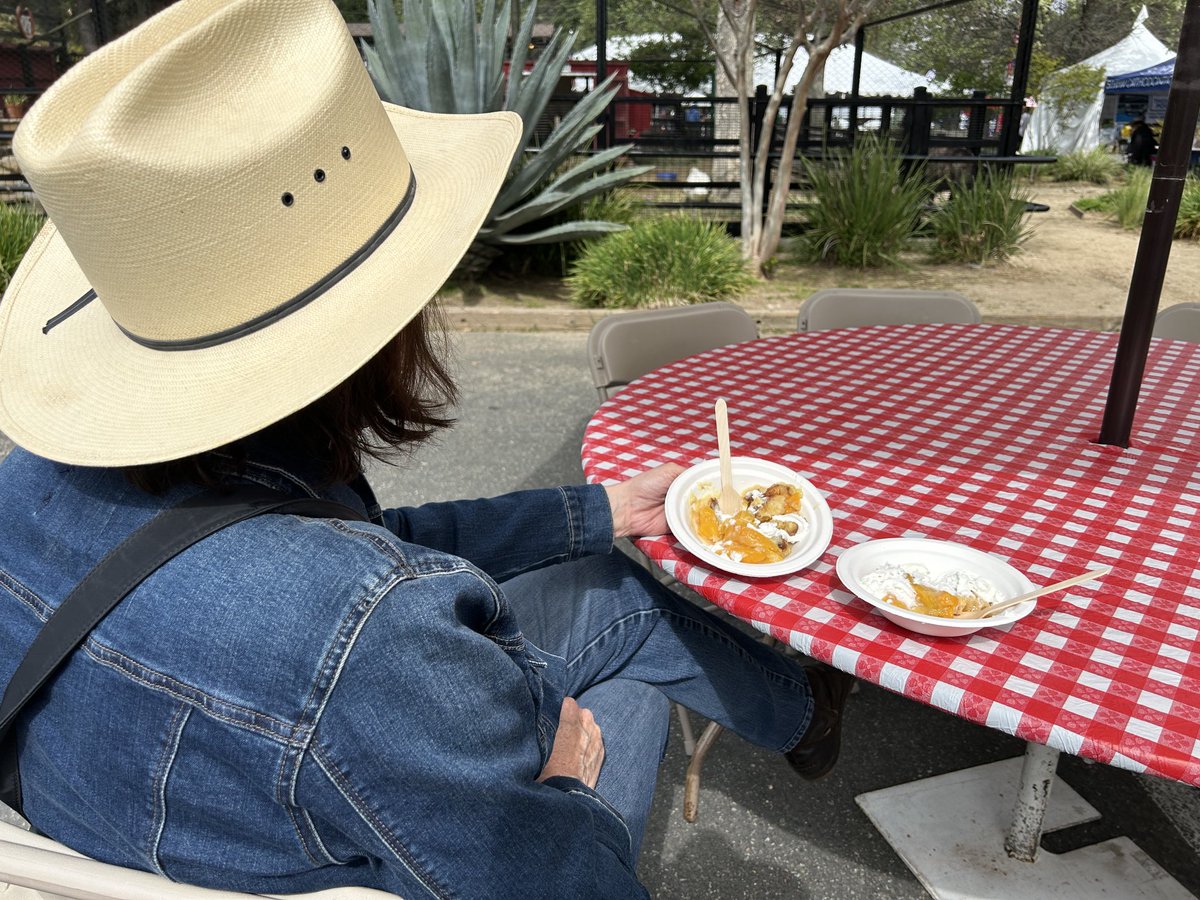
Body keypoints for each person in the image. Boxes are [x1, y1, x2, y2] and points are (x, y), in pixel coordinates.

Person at [0, 0, 853, 896]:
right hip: (354, 840)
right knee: (624, 678)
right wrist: (566, 782)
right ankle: (807, 714)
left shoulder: (28, 489)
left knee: (607, 586)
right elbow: (359, 614)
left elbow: (360, 556)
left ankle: (802, 715)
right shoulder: (368, 637)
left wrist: (603, 508)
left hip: (135, 835)